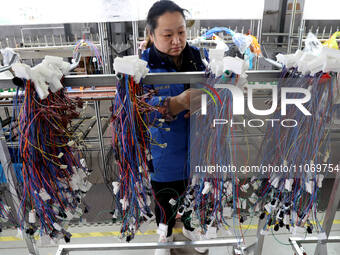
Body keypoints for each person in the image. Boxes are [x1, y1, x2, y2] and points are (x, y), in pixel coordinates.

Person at [141, 1, 209, 254]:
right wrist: (173, 104)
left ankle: (191, 231)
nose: (177, 40)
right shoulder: (142, 67)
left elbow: (217, 91)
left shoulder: (198, 59)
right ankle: (165, 235)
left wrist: (208, 100)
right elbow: (134, 109)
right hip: (165, 151)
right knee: (165, 198)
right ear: (151, 35)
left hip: (198, 146)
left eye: (181, 32)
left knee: (192, 193)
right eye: (167, 35)